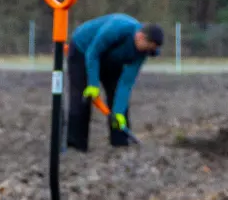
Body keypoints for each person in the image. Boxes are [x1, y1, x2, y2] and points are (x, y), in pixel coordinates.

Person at [66, 14, 163, 151]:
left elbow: (125, 84)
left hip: (111, 59)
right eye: (148, 48)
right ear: (140, 37)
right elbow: (93, 54)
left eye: (151, 50)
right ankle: (76, 145)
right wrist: (93, 85)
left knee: (116, 95)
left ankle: (120, 142)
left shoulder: (142, 53)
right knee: (81, 98)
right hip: (83, 49)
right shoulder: (118, 29)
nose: (148, 52)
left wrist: (118, 112)